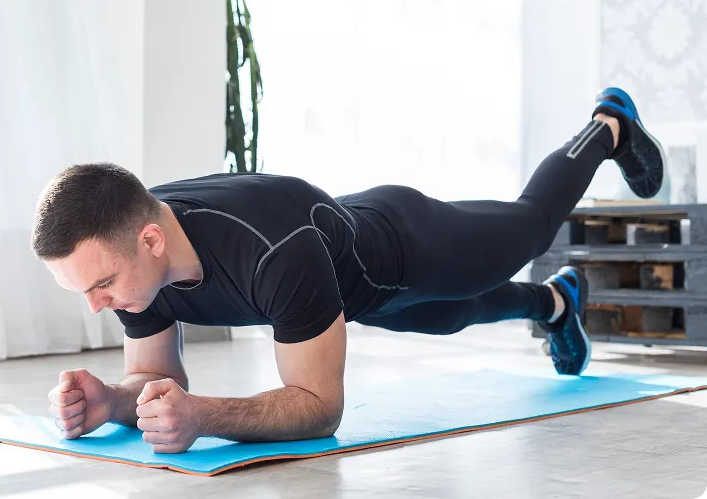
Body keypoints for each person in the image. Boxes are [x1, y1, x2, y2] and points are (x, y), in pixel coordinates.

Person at [34, 88, 664, 453]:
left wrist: (200, 416)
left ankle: (609, 125)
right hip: (354, 287)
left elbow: (318, 408)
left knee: (528, 227)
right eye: (83, 290)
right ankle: (555, 303)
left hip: (409, 243)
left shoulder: (272, 249)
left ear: (151, 241)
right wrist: (112, 402)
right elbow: (154, 380)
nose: (97, 304)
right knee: (456, 314)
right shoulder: (133, 261)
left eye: (100, 285)